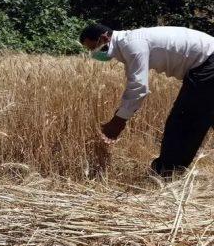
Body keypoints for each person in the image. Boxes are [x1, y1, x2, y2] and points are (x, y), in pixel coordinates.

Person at [80, 24, 214, 177]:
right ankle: (169, 170)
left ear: (104, 38)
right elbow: (134, 82)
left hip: (208, 63)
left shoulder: (131, 44)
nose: (94, 54)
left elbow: (138, 87)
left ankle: (167, 172)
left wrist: (118, 121)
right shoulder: (129, 43)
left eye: (93, 48)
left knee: (183, 120)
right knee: (202, 113)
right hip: (208, 62)